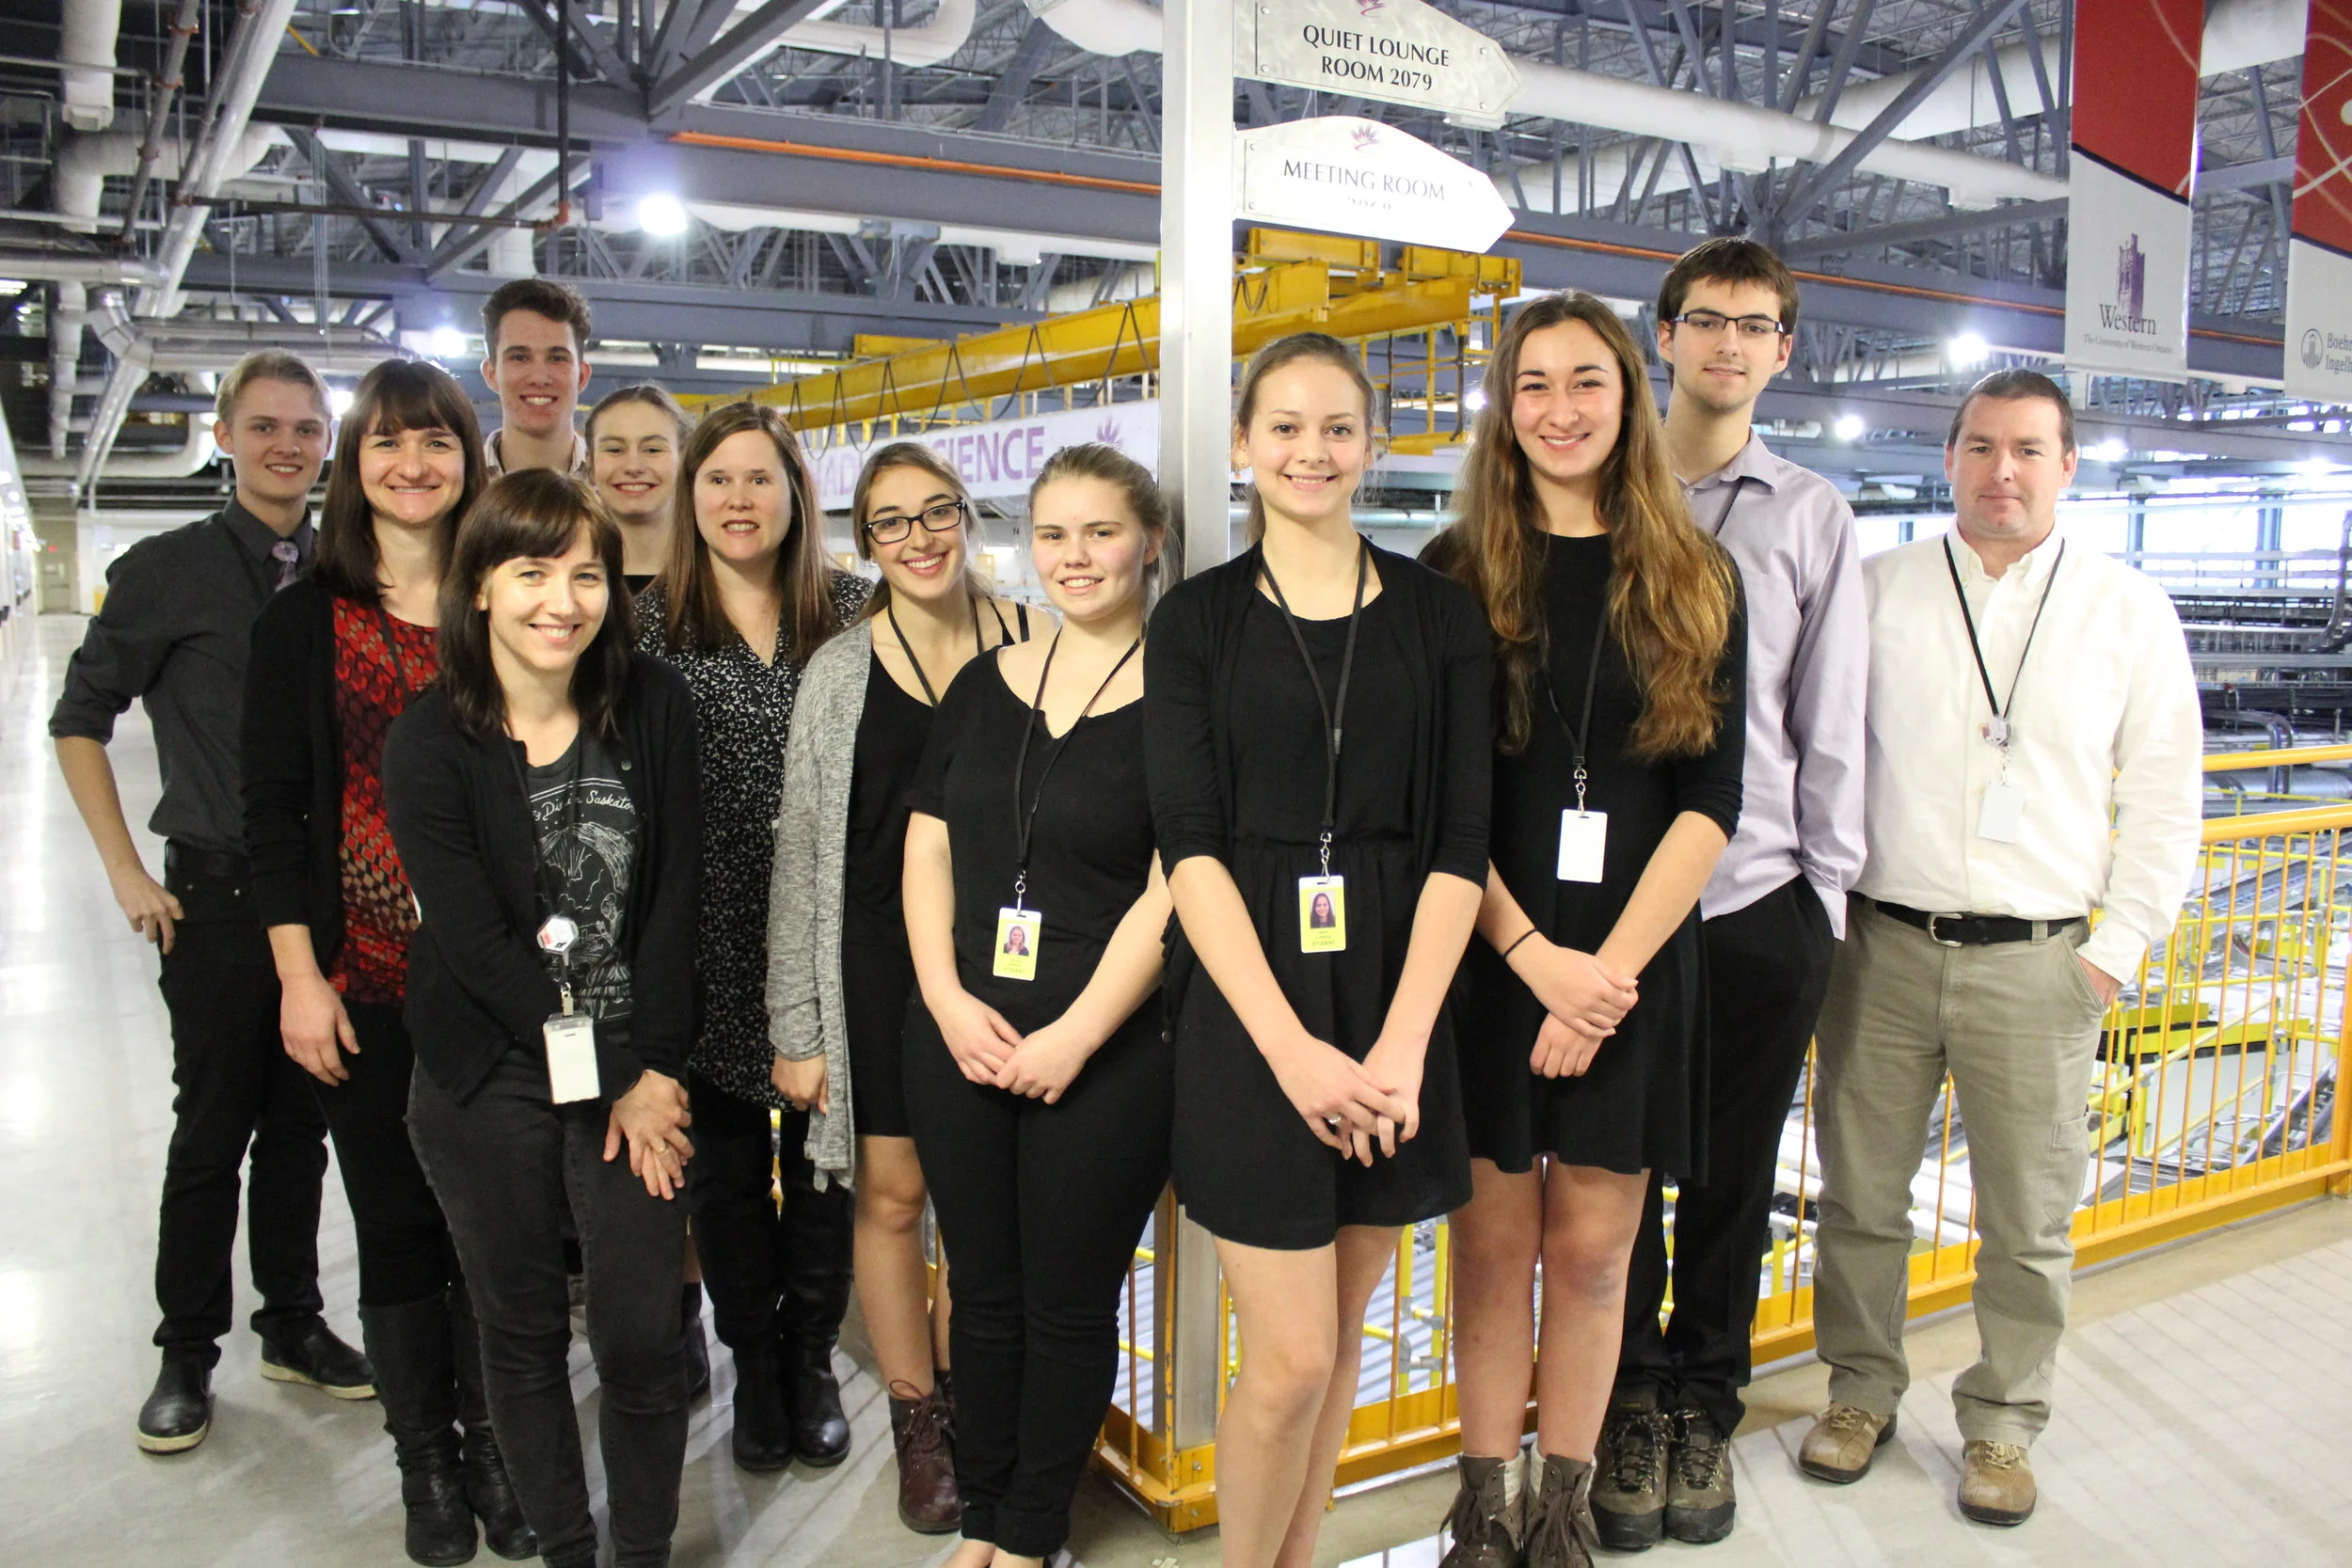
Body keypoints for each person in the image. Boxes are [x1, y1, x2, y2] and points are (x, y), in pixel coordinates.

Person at [1797, 370, 2201, 1528]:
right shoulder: (1879, 591)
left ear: (2069, 465)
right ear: (1950, 459)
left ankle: (2003, 1422)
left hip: (2041, 959)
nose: (2001, 471)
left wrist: (2111, 954)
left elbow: (2168, 799)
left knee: (2027, 1215)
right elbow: (1817, 757)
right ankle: (1859, 1390)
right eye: (1979, 446)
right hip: (1880, 944)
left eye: (2028, 448)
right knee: (1862, 1198)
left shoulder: (2127, 611)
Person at [1146, 332, 1490, 1568]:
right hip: (1252, 1016)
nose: (1310, 449)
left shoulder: (1442, 618)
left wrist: (1400, 1048)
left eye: (1337, 425)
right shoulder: (1195, 622)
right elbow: (1190, 849)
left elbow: (1461, 840)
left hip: (1395, 998)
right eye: (1282, 426)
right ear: (1241, 445)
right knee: (1289, 1354)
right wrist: (1290, 1049)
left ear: (1374, 444)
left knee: (1344, 1335)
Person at [1424, 292, 1745, 1568]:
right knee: (1492, 1256)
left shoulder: (1694, 572)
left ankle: (1562, 1508)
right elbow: (1441, 808)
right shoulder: (1455, 574)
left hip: (1629, 972)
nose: (1559, 409)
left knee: (1599, 1255)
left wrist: (1602, 974)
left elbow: (1712, 801)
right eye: (1534, 384)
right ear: (1506, 409)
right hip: (1495, 960)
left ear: (1630, 398)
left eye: (1586, 382)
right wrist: (1534, 960)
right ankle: (1483, 1507)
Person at [1588, 239, 1867, 1549]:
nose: (1730, 345)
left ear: (1784, 350)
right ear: (1666, 333)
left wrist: (1825, 901)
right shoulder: (1594, 493)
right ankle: (1625, 1401)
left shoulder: (1810, 515)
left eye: (1757, 325)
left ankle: (1705, 1395)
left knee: (1735, 1179)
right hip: (1613, 914)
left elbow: (1830, 723)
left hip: (1753, 900)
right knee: (1614, 1176)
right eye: (1708, 319)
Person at [50, 350, 373, 1454]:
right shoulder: (167, 569)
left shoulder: (347, 567)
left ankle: (292, 1322)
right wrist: (126, 873)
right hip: (224, 899)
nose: (289, 445)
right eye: (267, 425)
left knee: (302, 1129)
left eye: (306, 428)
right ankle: (186, 1350)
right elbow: (77, 719)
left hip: (333, 900)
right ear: (226, 434)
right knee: (213, 1128)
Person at [242, 357, 535, 1565]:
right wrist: (299, 978)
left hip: (498, 982)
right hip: (361, 980)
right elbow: (274, 812)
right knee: (399, 1223)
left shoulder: (508, 602)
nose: (413, 464)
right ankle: (427, 1462)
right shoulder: (301, 618)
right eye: (385, 444)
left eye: (438, 441)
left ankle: (495, 1452)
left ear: (473, 460)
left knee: (502, 1232)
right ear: (353, 466)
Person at [388, 470, 700, 1568]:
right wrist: (616, 1074)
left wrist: (651, 1067)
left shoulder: (653, 704)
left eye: (585, 572)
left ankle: (643, 1552)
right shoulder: (428, 743)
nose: (561, 599)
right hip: (493, 1069)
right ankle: (570, 1548)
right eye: (531, 571)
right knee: (518, 1335)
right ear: (478, 586)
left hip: (639, 1070)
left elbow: (674, 899)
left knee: (640, 1338)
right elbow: (475, 947)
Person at [901, 442, 1174, 1568]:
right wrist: (947, 1002)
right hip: (960, 1030)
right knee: (983, 1290)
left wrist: (1075, 1034)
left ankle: (1031, 1532)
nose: (1073, 556)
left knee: (1065, 1301)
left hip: (1102, 1050)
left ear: (1148, 542)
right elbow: (926, 852)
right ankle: (980, 1512)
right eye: (1052, 533)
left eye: (1099, 532)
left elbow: (1176, 890)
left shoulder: (1183, 700)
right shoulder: (983, 683)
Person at [767, 441, 1032, 1534]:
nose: (918, 538)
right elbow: (802, 854)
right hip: (872, 964)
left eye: (936, 513)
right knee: (889, 1196)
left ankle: (977, 1405)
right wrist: (798, 1022)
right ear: (860, 541)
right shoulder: (838, 671)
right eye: (889, 522)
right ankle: (917, 1421)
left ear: (967, 517)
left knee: (986, 1214)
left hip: (1007, 961)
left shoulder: (1035, 639)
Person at [633, 400, 868, 1472]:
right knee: (724, 1180)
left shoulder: (858, 614)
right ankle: (754, 1363)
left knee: (825, 1170)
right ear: (691, 497)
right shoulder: (645, 631)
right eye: (718, 478)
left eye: (759, 478)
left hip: (828, 942)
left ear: (795, 495)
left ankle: (811, 1355)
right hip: (703, 943)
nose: (738, 498)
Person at [481, 277, 593, 478]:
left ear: (582, 376)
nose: (539, 377)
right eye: (519, 357)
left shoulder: (612, 485)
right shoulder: (459, 485)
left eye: (557, 358)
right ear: (491, 374)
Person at [588, 383, 690, 594]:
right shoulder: (561, 573)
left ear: (685, 460)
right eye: (615, 450)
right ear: (590, 465)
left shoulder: (721, 572)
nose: (633, 467)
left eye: (652, 449)